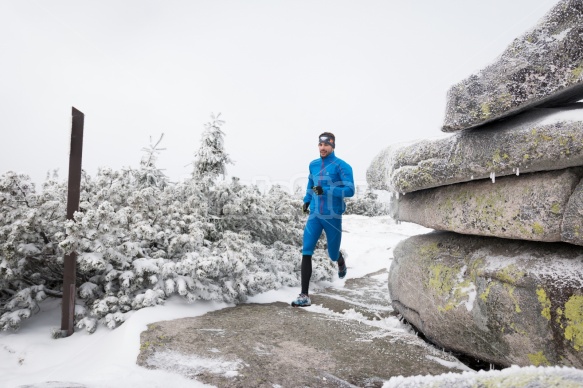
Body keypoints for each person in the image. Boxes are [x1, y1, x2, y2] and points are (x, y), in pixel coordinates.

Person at [291, 132, 355, 307]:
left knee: (332, 254)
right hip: (315, 215)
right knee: (306, 250)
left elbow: (350, 190)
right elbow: (311, 185)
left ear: (333, 146)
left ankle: (340, 261)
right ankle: (304, 295)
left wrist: (326, 189)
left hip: (332, 216)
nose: (322, 148)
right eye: (320, 144)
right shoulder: (313, 165)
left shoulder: (342, 166)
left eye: (326, 145)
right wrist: (306, 200)